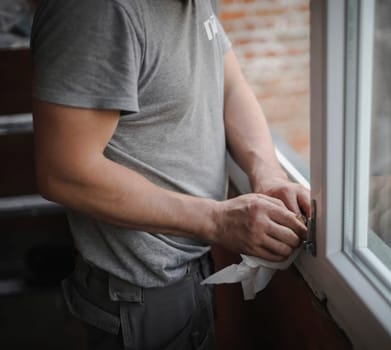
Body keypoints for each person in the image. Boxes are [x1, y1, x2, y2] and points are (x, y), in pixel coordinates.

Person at [30, 0, 311, 349]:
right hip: (138, 295)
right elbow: (64, 172)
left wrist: (268, 173)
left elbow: (230, 86)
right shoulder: (98, 11)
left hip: (190, 269)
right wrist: (218, 221)